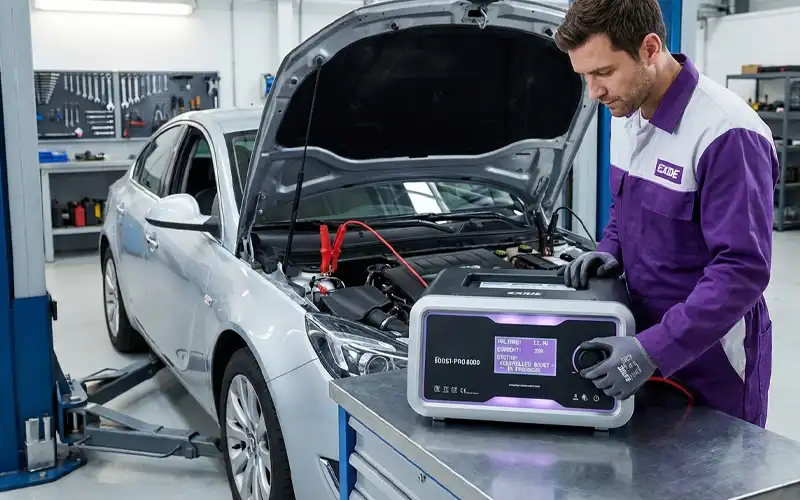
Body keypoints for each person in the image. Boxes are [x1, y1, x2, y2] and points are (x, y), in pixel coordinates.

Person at [554, 0, 779, 427]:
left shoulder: (727, 133)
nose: (594, 92)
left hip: (711, 364)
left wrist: (655, 349)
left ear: (650, 48)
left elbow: (742, 269)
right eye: (584, 76)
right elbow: (627, 205)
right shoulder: (626, 110)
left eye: (602, 73)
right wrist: (610, 249)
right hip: (637, 342)